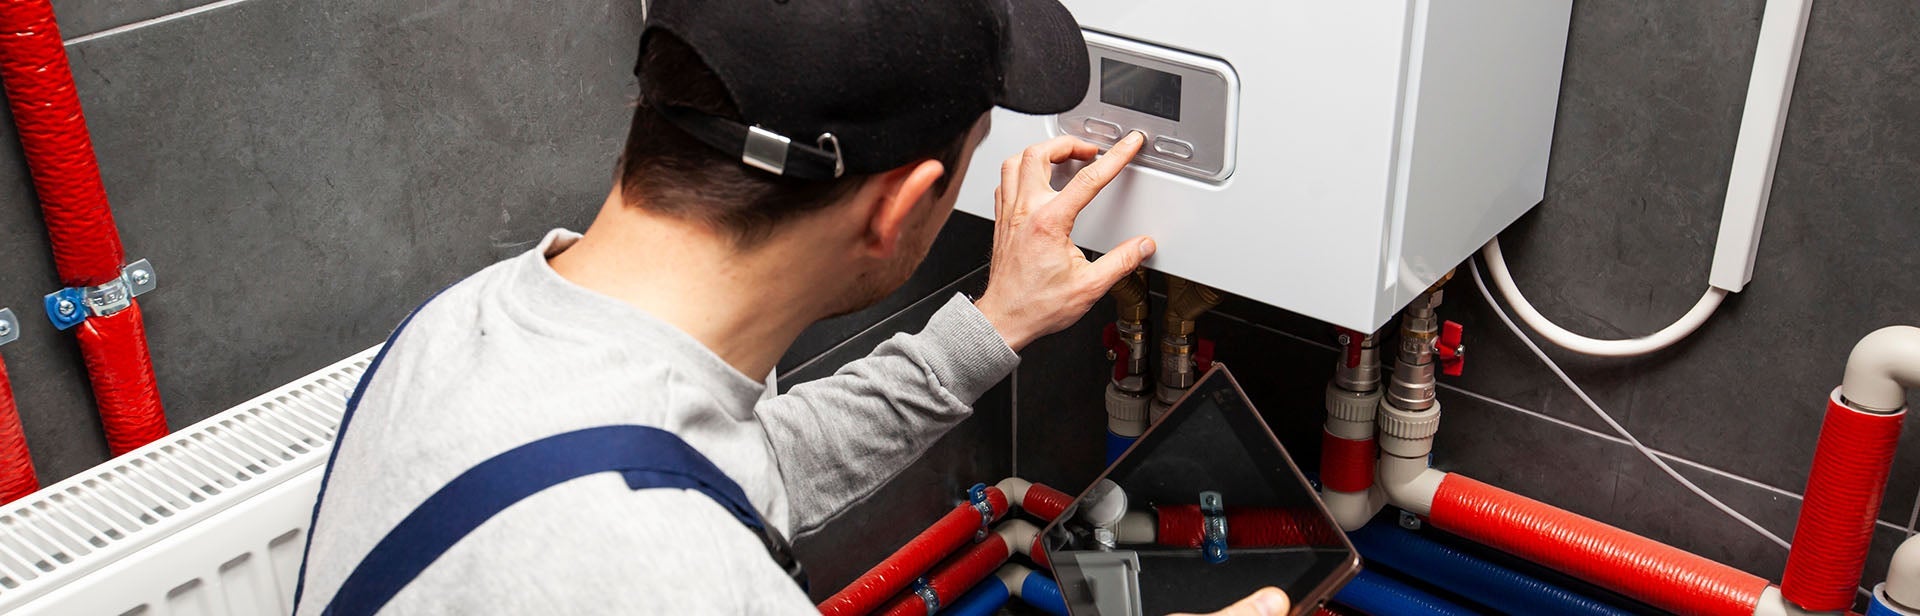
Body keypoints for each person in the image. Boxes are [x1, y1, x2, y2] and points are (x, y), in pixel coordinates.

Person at [293, 1, 1289, 614]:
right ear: (902, 212)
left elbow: (730, 464)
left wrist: (995, 322)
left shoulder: (460, 331)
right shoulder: (678, 581)